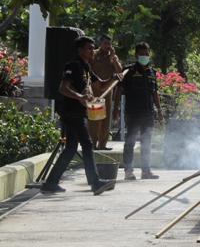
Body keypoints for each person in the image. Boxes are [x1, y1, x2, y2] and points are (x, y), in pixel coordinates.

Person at [41, 36, 123, 195]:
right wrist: (79, 96)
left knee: (71, 148)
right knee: (87, 144)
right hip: (71, 113)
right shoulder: (74, 65)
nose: (93, 51)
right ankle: (95, 182)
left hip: (78, 113)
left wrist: (114, 77)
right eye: (89, 48)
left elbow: (101, 84)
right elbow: (63, 88)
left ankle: (50, 183)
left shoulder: (87, 68)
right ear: (80, 50)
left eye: (93, 48)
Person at [113, 42, 164, 180]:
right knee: (130, 142)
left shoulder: (152, 72)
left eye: (146, 54)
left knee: (146, 143)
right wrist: (115, 108)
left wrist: (159, 109)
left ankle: (146, 170)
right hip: (133, 113)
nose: (144, 57)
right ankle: (129, 170)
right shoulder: (128, 71)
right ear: (136, 55)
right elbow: (119, 90)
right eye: (141, 54)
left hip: (148, 113)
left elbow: (155, 93)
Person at [88, 34, 122, 150]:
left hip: (108, 91)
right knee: (94, 118)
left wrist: (113, 58)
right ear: (100, 44)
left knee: (105, 118)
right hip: (94, 90)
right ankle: (91, 143)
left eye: (109, 44)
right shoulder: (94, 55)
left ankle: (102, 144)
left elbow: (119, 71)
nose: (107, 46)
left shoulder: (112, 57)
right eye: (105, 43)